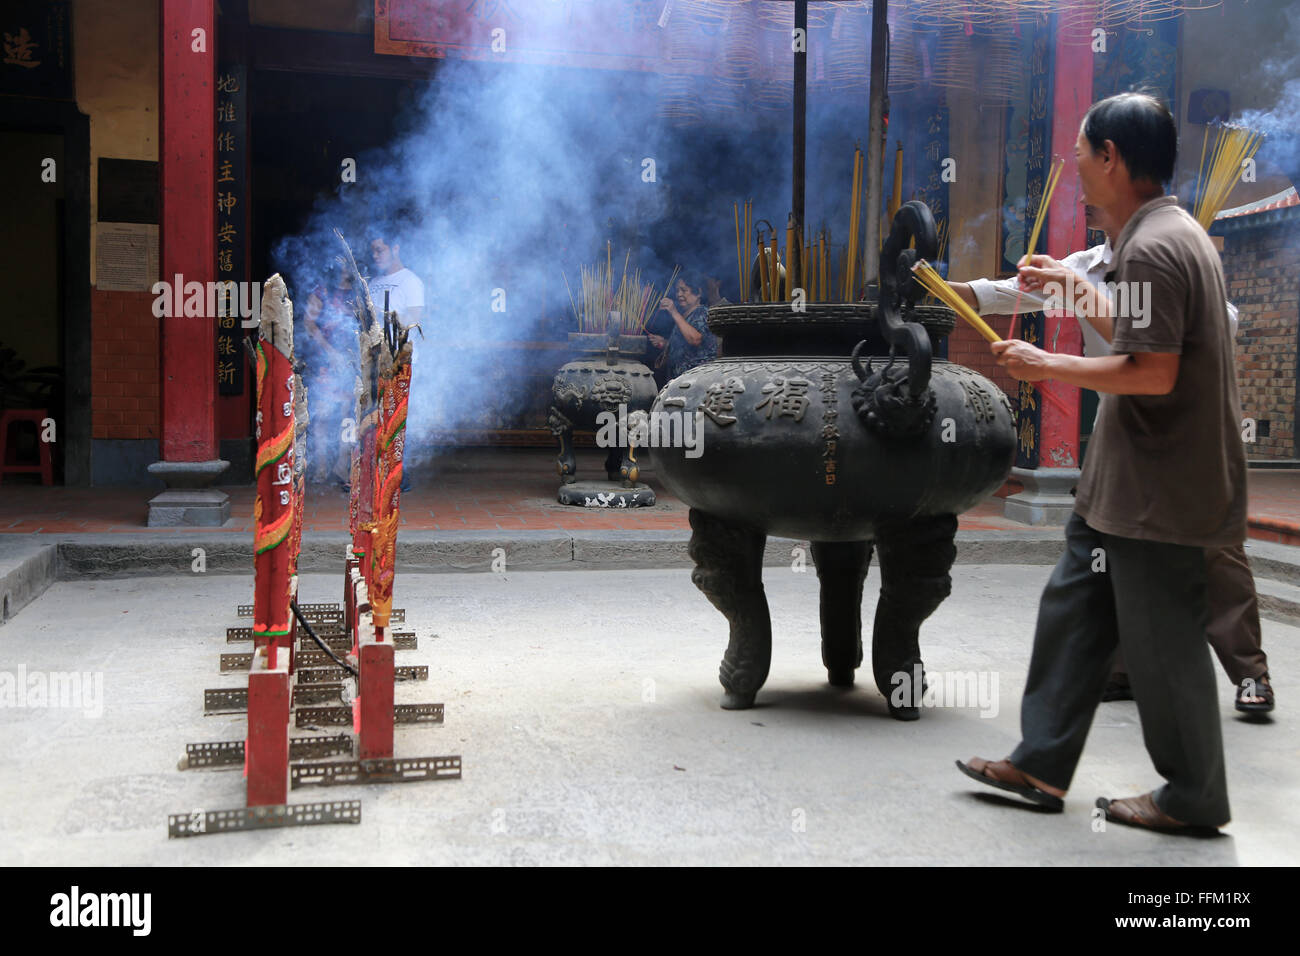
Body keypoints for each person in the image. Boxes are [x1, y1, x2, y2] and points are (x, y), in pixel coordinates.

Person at [958, 92, 1244, 834]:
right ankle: (1042, 762)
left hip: (1160, 488)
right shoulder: (1163, 235)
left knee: (1163, 641)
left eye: (1083, 153)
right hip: (1122, 486)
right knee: (1076, 608)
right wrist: (1074, 286)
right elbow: (1138, 324)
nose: (1076, 169)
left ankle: (1194, 797)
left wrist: (1044, 361)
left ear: (1112, 157)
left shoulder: (1155, 245)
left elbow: (1152, 369)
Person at [949, 209, 1273, 715]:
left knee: (1214, 554)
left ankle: (1250, 673)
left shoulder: (1173, 254)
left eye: (1092, 167)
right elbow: (1011, 291)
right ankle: (1119, 669)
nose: (1088, 201)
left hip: (1185, 432)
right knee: (1104, 543)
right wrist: (944, 288)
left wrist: (1073, 316)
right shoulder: (1086, 265)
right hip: (1118, 427)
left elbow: (1218, 327)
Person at [366, 230, 424, 492]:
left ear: (396, 248)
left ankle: (400, 473)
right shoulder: (373, 282)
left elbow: (414, 320)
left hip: (400, 361)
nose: (376, 255)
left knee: (398, 416)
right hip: (374, 362)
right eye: (373, 251)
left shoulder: (410, 281)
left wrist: (382, 315)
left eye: (381, 249)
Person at [646, 273, 717, 380]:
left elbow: (695, 339)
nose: (679, 294)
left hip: (697, 380)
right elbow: (683, 348)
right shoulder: (683, 317)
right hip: (680, 381)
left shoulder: (702, 313)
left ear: (698, 293)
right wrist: (665, 343)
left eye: (684, 290)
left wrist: (674, 312)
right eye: (677, 290)